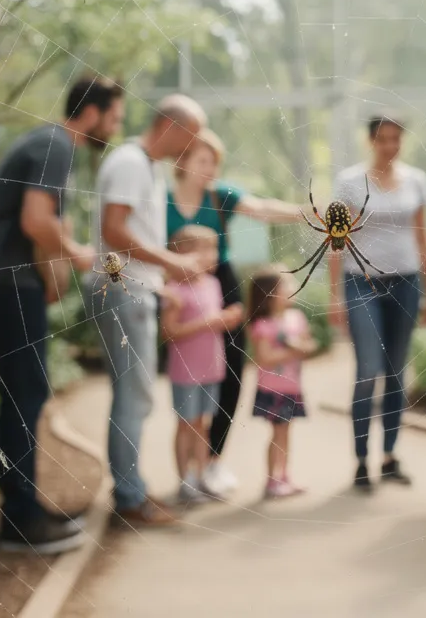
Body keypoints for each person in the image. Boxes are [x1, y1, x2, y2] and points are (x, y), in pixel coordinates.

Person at [0, 75, 122, 552]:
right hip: (5, 282)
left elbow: (33, 226)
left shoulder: (44, 142)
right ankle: (21, 521)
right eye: (112, 119)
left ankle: (23, 509)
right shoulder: (58, 145)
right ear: (90, 113)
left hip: (4, 280)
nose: (113, 129)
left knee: (22, 391)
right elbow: (36, 220)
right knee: (25, 393)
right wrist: (76, 253)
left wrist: (51, 279)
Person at [166, 128, 301, 496]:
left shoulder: (220, 195)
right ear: (183, 161)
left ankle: (213, 461)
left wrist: (305, 212)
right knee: (186, 383)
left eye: (214, 161)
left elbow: (261, 209)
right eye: (202, 160)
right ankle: (188, 472)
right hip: (175, 288)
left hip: (219, 285)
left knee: (229, 375)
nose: (210, 168)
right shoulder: (161, 201)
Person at [94, 93, 208, 527]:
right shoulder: (129, 163)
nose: (191, 147)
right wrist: (174, 263)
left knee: (133, 394)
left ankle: (131, 491)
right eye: (190, 136)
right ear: (170, 127)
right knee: (134, 395)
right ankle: (129, 498)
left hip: (135, 290)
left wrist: (162, 287)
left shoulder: (145, 167)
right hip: (123, 292)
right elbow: (113, 230)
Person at [329, 115, 426, 492]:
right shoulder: (349, 182)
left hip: (406, 283)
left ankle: (389, 457)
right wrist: (334, 296)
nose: (390, 146)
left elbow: (423, 238)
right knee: (368, 370)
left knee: (396, 373)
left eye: (396, 139)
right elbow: (336, 239)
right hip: (361, 285)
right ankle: (361, 461)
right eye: (383, 139)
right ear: (371, 140)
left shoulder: (417, 180)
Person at [160, 225, 242, 504]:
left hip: (212, 368)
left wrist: (227, 318)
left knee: (203, 424)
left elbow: (215, 320)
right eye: (206, 249)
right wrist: (212, 322)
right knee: (186, 424)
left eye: (214, 249)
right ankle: (185, 481)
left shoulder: (214, 284)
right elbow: (169, 332)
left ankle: (202, 475)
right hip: (185, 372)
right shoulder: (172, 290)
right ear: (182, 254)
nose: (214, 256)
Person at [246, 266, 318, 499]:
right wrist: (292, 349)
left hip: (292, 387)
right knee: (277, 434)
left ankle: (284, 476)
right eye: (285, 285)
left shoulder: (297, 318)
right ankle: (271, 480)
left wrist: (297, 348)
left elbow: (309, 346)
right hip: (272, 388)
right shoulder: (262, 325)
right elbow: (264, 358)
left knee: (286, 434)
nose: (292, 288)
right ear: (270, 294)